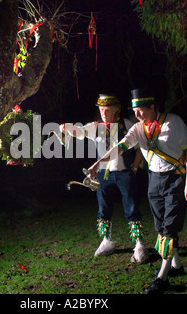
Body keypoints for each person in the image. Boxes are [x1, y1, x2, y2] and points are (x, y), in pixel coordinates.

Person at [88, 89, 187, 294]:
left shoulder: (173, 122)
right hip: (154, 179)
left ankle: (162, 278)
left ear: (153, 107)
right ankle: (177, 266)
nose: (137, 115)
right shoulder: (138, 128)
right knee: (161, 225)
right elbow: (119, 148)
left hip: (175, 178)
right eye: (135, 111)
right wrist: (97, 164)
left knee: (169, 228)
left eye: (141, 111)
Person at [60, 94, 149, 264]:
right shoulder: (95, 127)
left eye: (107, 110)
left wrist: (135, 167)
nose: (103, 113)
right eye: (101, 109)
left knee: (131, 207)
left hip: (124, 173)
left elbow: (139, 148)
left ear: (116, 110)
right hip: (102, 174)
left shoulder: (128, 125)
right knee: (103, 208)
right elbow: (79, 132)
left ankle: (139, 244)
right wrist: (67, 128)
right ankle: (107, 241)